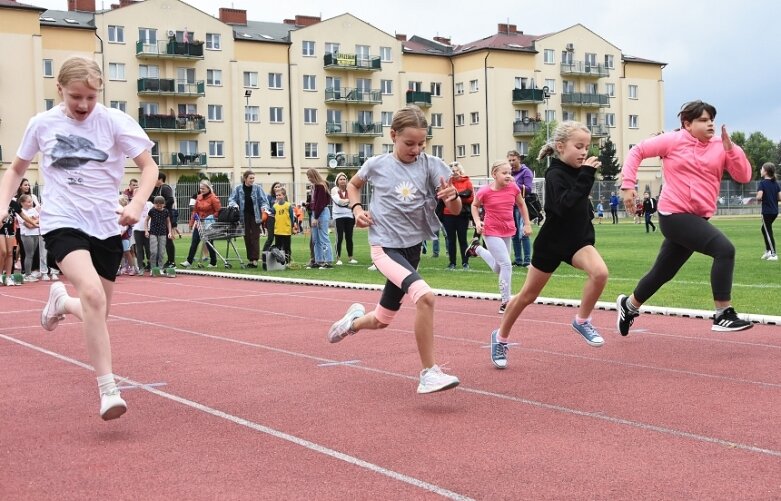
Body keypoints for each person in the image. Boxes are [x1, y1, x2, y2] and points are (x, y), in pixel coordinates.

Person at [0, 56, 158, 419]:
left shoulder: (115, 122)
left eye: (90, 96)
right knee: (91, 294)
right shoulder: (41, 124)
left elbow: (149, 168)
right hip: (61, 221)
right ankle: (108, 390)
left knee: (97, 313)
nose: (84, 105)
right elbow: (16, 170)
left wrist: (136, 204)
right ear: (59, 90)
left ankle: (59, 303)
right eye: (75, 97)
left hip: (105, 225)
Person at [327, 105, 461, 393]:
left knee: (381, 320)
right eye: (409, 143)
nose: (416, 150)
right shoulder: (377, 164)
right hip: (385, 247)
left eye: (421, 144)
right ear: (393, 136)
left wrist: (453, 198)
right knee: (425, 297)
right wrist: (357, 208)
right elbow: (353, 185)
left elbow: (455, 208)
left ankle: (351, 323)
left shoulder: (432, 165)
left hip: (412, 248)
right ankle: (429, 372)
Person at [616, 100, 753, 335]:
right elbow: (637, 150)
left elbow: (744, 176)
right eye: (703, 120)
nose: (710, 124)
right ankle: (723, 314)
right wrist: (628, 185)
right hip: (674, 214)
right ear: (687, 124)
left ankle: (628, 305)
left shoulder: (722, 145)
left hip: (698, 218)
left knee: (663, 273)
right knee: (724, 250)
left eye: (712, 119)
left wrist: (732, 151)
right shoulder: (673, 140)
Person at [489, 121, 608, 369]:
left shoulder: (580, 171)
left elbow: (578, 204)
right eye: (579, 146)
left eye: (587, 146)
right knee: (527, 296)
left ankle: (582, 320)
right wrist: (586, 175)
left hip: (577, 241)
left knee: (600, 273)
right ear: (561, 147)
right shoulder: (555, 174)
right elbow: (561, 206)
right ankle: (500, 338)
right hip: (552, 243)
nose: (584, 152)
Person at [467, 159, 532, 313]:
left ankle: (477, 249)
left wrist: (527, 224)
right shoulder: (485, 191)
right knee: (506, 265)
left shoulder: (513, 188)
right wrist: (477, 221)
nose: (508, 176)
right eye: (504, 173)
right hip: (491, 231)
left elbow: (522, 205)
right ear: (494, 174)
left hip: (508, 229)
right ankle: (505, 301)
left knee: (499, 267)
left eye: (509, 173)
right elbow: (474, 205)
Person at [228, 169, 270, 268]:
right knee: (246, 237)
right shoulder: (238, 188)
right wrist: (234, 205)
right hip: (243, 216)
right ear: (245, 178)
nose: (252, 180)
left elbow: (264, 200)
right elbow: (231, 199)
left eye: (253, 178)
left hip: (255, 216)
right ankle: (250, 259)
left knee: (255, 237)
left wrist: (264, 207)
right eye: (250, 178)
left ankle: (255, 259)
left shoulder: (258, 188)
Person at [181, 179, 221, 268]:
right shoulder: (198, 197)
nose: (201, 190)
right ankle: (189, 261)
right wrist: (191, 222)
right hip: (199, 223)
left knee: (209, 243)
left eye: (203, 188)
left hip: (209, 224)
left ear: (208, 188)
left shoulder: (214, 198)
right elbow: (195, 211)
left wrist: (210, 218)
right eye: (200, 188)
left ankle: (213, 263)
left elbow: (218, 211)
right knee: (194, 242)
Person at [442, 161, 474, 270]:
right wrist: (460, 195)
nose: (455, 173)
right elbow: (444, 198)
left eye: (457, 170)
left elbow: (470, 198)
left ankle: (465, 262)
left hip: (462, 214)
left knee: (462, 239)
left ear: (460, 171)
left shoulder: (467, 181)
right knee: (450, 240)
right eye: (452, 171)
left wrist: (456, 196)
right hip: (448, 214)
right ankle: (452, 263)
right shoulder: (446, 183)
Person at [508, 151, 533, 266]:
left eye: (513, 160)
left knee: (523, 234)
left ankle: (527, 260)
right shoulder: (508, 172)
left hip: (521, 205)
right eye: (509, 160)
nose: (511, 162)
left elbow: (528, 189)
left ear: (519, 159)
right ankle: (518, 259)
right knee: (513, 233)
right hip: (510, 206)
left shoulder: (526, 172)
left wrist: (514, 183)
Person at [306, 168, 334, 269]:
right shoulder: (314, 187)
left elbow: (320, 203)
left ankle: (328, 261)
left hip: (321, 213)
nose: (309, 179)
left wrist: (316, 217)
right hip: (315, 213)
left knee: (323, 237)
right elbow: (314, 202)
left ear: (314, 176)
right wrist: (308, 206)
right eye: (308, 177)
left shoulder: (321, 186)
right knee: (315, 239)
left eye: (310, 176)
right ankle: (318, 260)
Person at [330, 172, 357, 265]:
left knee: (349, 237)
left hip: (349, 215)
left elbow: (354, 201)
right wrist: (349, 202)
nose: (342, 181)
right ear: (337, 181)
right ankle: (338, 258)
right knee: (339, 237)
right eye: (340, 179)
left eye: (344, 179)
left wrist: (347, 203)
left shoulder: (349, 190)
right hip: (338, 216)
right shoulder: (334, 190)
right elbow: (339, 202)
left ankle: (351, 257)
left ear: (347, 181)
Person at [149, 172, 175, 267]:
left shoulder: (165, 188)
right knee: (158, 239)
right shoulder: (157, 189)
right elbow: (155, 200)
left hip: (165, 217)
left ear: (160, 179)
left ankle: (171, 261)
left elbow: (170, 199)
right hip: (157, 218)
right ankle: (155, 262)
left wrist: (162, 206)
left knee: (168, 239)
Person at [757, 162, 780, 261]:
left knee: (768, 231)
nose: (760, 171)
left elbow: (759, 197)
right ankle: (768, 251)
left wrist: (758, 197)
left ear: (765, 172)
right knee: (764, 229)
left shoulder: (762, 183)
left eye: (761, 169)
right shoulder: (776, 184)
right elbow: (780, 197)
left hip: (766, 212)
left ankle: (773, 254)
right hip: (775, 211)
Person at [16, 194, 41, 282]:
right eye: (29, 202)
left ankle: (29, 273)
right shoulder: (20, 212)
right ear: (22, 203)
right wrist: (35, 221)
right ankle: (27, 274)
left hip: (35, 234)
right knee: (29, 254)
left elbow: (40, 219)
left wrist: (34, 221)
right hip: (27, 235)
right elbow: (28, 225)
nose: (31, 203)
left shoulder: (33, 210)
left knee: (32, 254)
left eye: (31, 201)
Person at [145, 195, 172, 270]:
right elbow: (146, 220)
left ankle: (160, 268)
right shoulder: (152, 211)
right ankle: (153, 268)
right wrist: (146, 231)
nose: (159, 206)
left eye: (161, 204)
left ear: (164, 204)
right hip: (153, 233)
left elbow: (168, 222)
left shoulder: (166, 211)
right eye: (157, 204)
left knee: (161, 252)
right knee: (153, 252)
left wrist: (169, 232)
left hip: (163, 233)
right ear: (154, 204)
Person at [272, 187, 297, 264]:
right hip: (277, 231)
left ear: (284, 195)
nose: (278, 197)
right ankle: (279, 262)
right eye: (277, 195)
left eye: (280, 195)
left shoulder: (288, 205)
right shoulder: (274, 206)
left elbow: (292, 218)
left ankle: (288, 261)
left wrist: (293, 227)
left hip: (286, 230)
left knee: (287, 247)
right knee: (278, 247)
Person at [132, 190, 152, 275]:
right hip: (137, 229)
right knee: (139, 249)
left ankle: (151, 265)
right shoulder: (133, 205)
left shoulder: (149, 204)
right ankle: (141, 267)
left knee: (148, 248)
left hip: (148, 229)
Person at [262, 181, 282, 253]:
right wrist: (275, 205)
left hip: (280, 219)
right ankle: (264, 253)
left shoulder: (283, 196)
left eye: (279, 187)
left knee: (279, 237)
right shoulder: (269, 197)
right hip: (271, 218)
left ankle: (278, 254)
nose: (277, 188)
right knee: (270, 237)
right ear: (273, 188)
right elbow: (268, 208)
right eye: (275, 187)